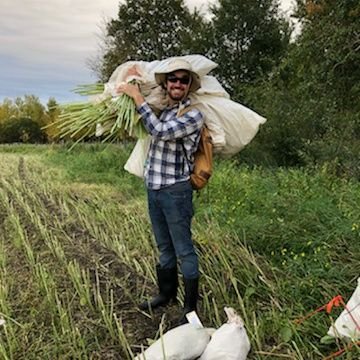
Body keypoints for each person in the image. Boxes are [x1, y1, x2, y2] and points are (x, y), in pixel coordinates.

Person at [117, 58, 203, 324]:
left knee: (184, 250)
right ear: (166, 84)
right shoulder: (163, 110)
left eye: (183, 80)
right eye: (173, 79)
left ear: (189, 86)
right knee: (163, 247)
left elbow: (159, 131)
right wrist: (134, 83)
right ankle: (165, 294)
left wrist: (137, 98)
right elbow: (145, 122)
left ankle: (189, 309)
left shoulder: (192, 115)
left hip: (175, 191)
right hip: (154, 189)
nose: (177, 84)